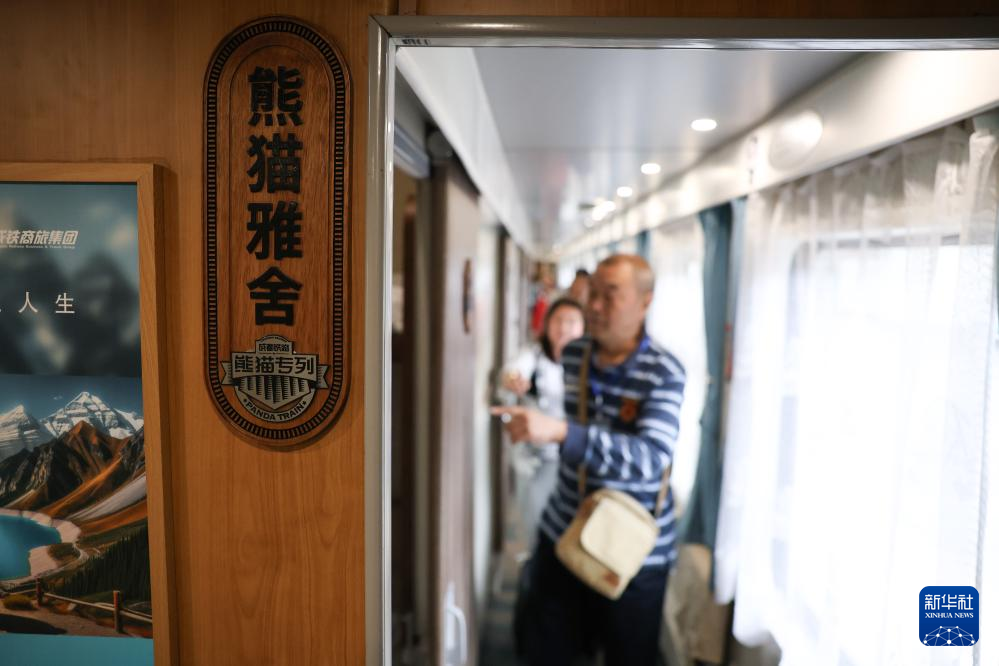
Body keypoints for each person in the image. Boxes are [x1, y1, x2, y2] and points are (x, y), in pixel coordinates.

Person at [492, 254, 685, 666]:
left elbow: (651, 459)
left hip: (633, 550)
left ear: (645, 301)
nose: (594, 306)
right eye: (591, 293)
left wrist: (562, 433)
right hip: (566, 527)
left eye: (609, 295)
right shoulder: (575, 354)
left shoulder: (664, 372)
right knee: (544, 650)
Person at [500, 297, 586, 550]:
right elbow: (513, 372)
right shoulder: (534, 356)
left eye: (572, 321)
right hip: (536, 458)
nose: (564, 328)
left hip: (577, 457)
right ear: (547, 324)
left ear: (583, 328)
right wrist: (513, 379)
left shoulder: (589, 363)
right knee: (537, 523)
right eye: (558, 320)